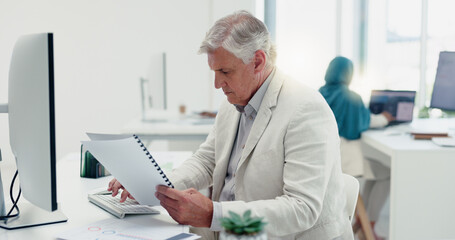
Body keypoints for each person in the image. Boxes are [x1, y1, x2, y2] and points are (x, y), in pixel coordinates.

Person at [110, 11, 352, 239]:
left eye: (225, 71)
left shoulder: (305, 108)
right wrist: (151, 185)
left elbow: (303, 209)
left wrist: (215, 215)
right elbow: (207, 161)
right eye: (214, 71)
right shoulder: (233, 102)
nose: (217, 84)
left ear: (258, 61)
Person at [319, 56, 393, 238]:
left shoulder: (319, 93)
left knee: (374, 175)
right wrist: (385, 118)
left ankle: (363, 219)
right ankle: (368, 223)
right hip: (347, 162)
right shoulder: (351, 97)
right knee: (386, 174)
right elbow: (366, 121)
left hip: (325, 161)